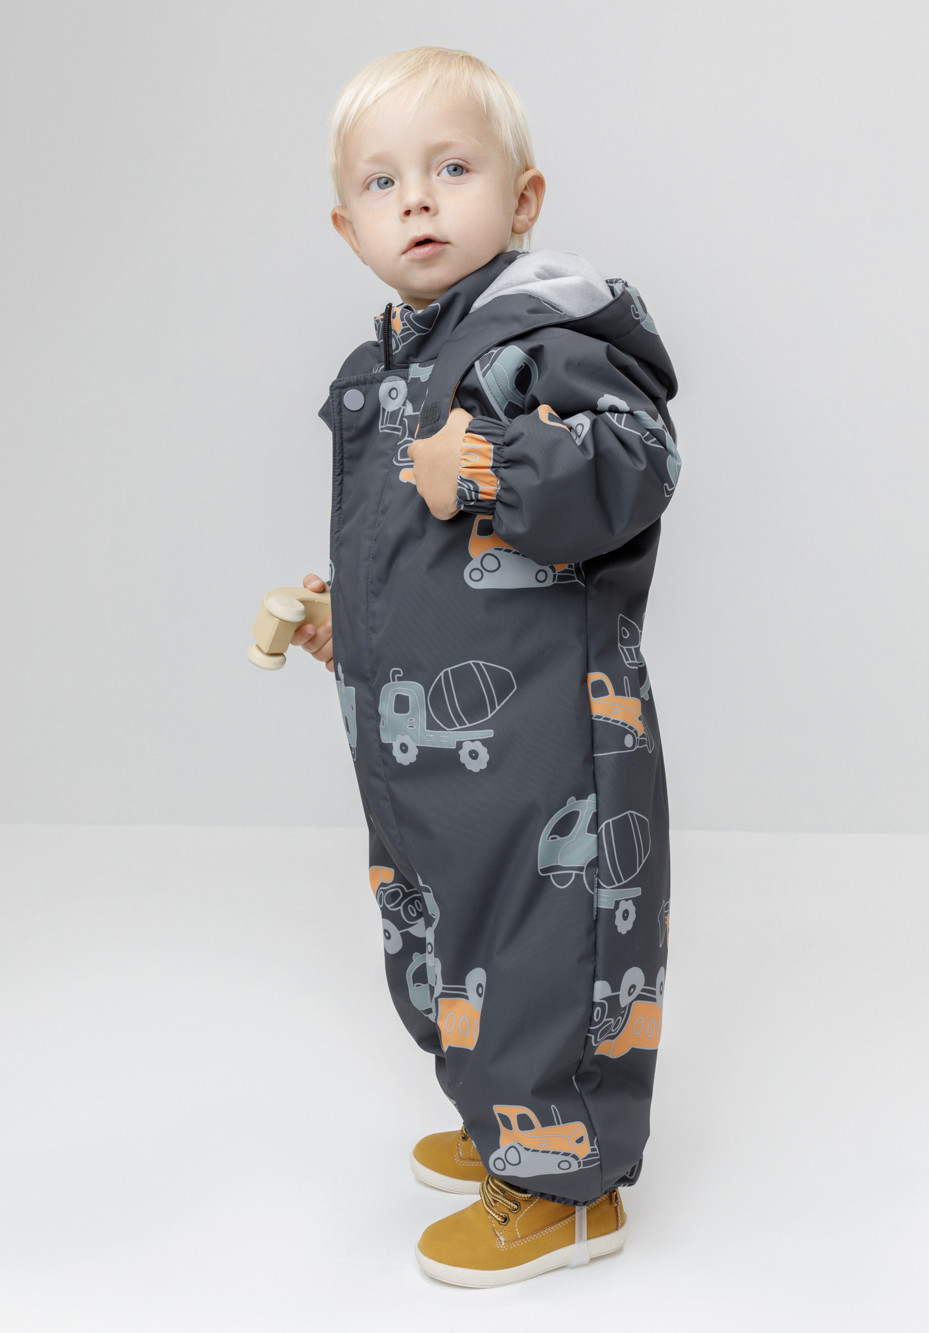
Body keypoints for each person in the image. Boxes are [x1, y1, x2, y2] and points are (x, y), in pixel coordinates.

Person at [292, 46, 681, 1287]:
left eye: (452, 169)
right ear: (348, 225)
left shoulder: (544, 334)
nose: (417, 198)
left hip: (545, 739)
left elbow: (637, 461)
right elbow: (410, 551)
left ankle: (568, 1188)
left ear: (521, 200)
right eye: (383, 181)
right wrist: (344, 617)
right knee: (445, 930)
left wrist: (495, 467)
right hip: (428, 750)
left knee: (542, 940)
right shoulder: (385, 370)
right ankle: (506, 1118)